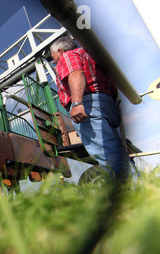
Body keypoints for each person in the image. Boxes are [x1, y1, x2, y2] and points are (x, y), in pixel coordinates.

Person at [50, 36, 135, 180]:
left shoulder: (68, 55)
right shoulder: (90, 57)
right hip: (107, 103)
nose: (54, 61)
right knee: (117, 150)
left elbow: (76, 73)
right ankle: (141, 187)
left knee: (106, 153)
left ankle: (129, 194)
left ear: (60, 50)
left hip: (87, 103)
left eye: (53, 57)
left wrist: (77, 104)